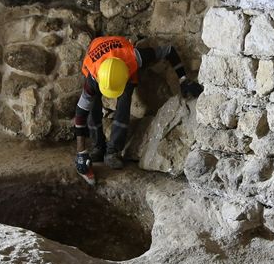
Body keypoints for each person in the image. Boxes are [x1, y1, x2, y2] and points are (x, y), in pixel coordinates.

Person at [73, 36, 203, 183]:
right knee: (92, 108)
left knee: (124, 104)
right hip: (98, 56)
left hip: (122, 65)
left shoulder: (135, 57)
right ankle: (98, 146)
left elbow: (169, 50)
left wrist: (183, 80)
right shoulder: (93, 76)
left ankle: (113, 151)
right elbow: (80, 114)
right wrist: (81, 151)